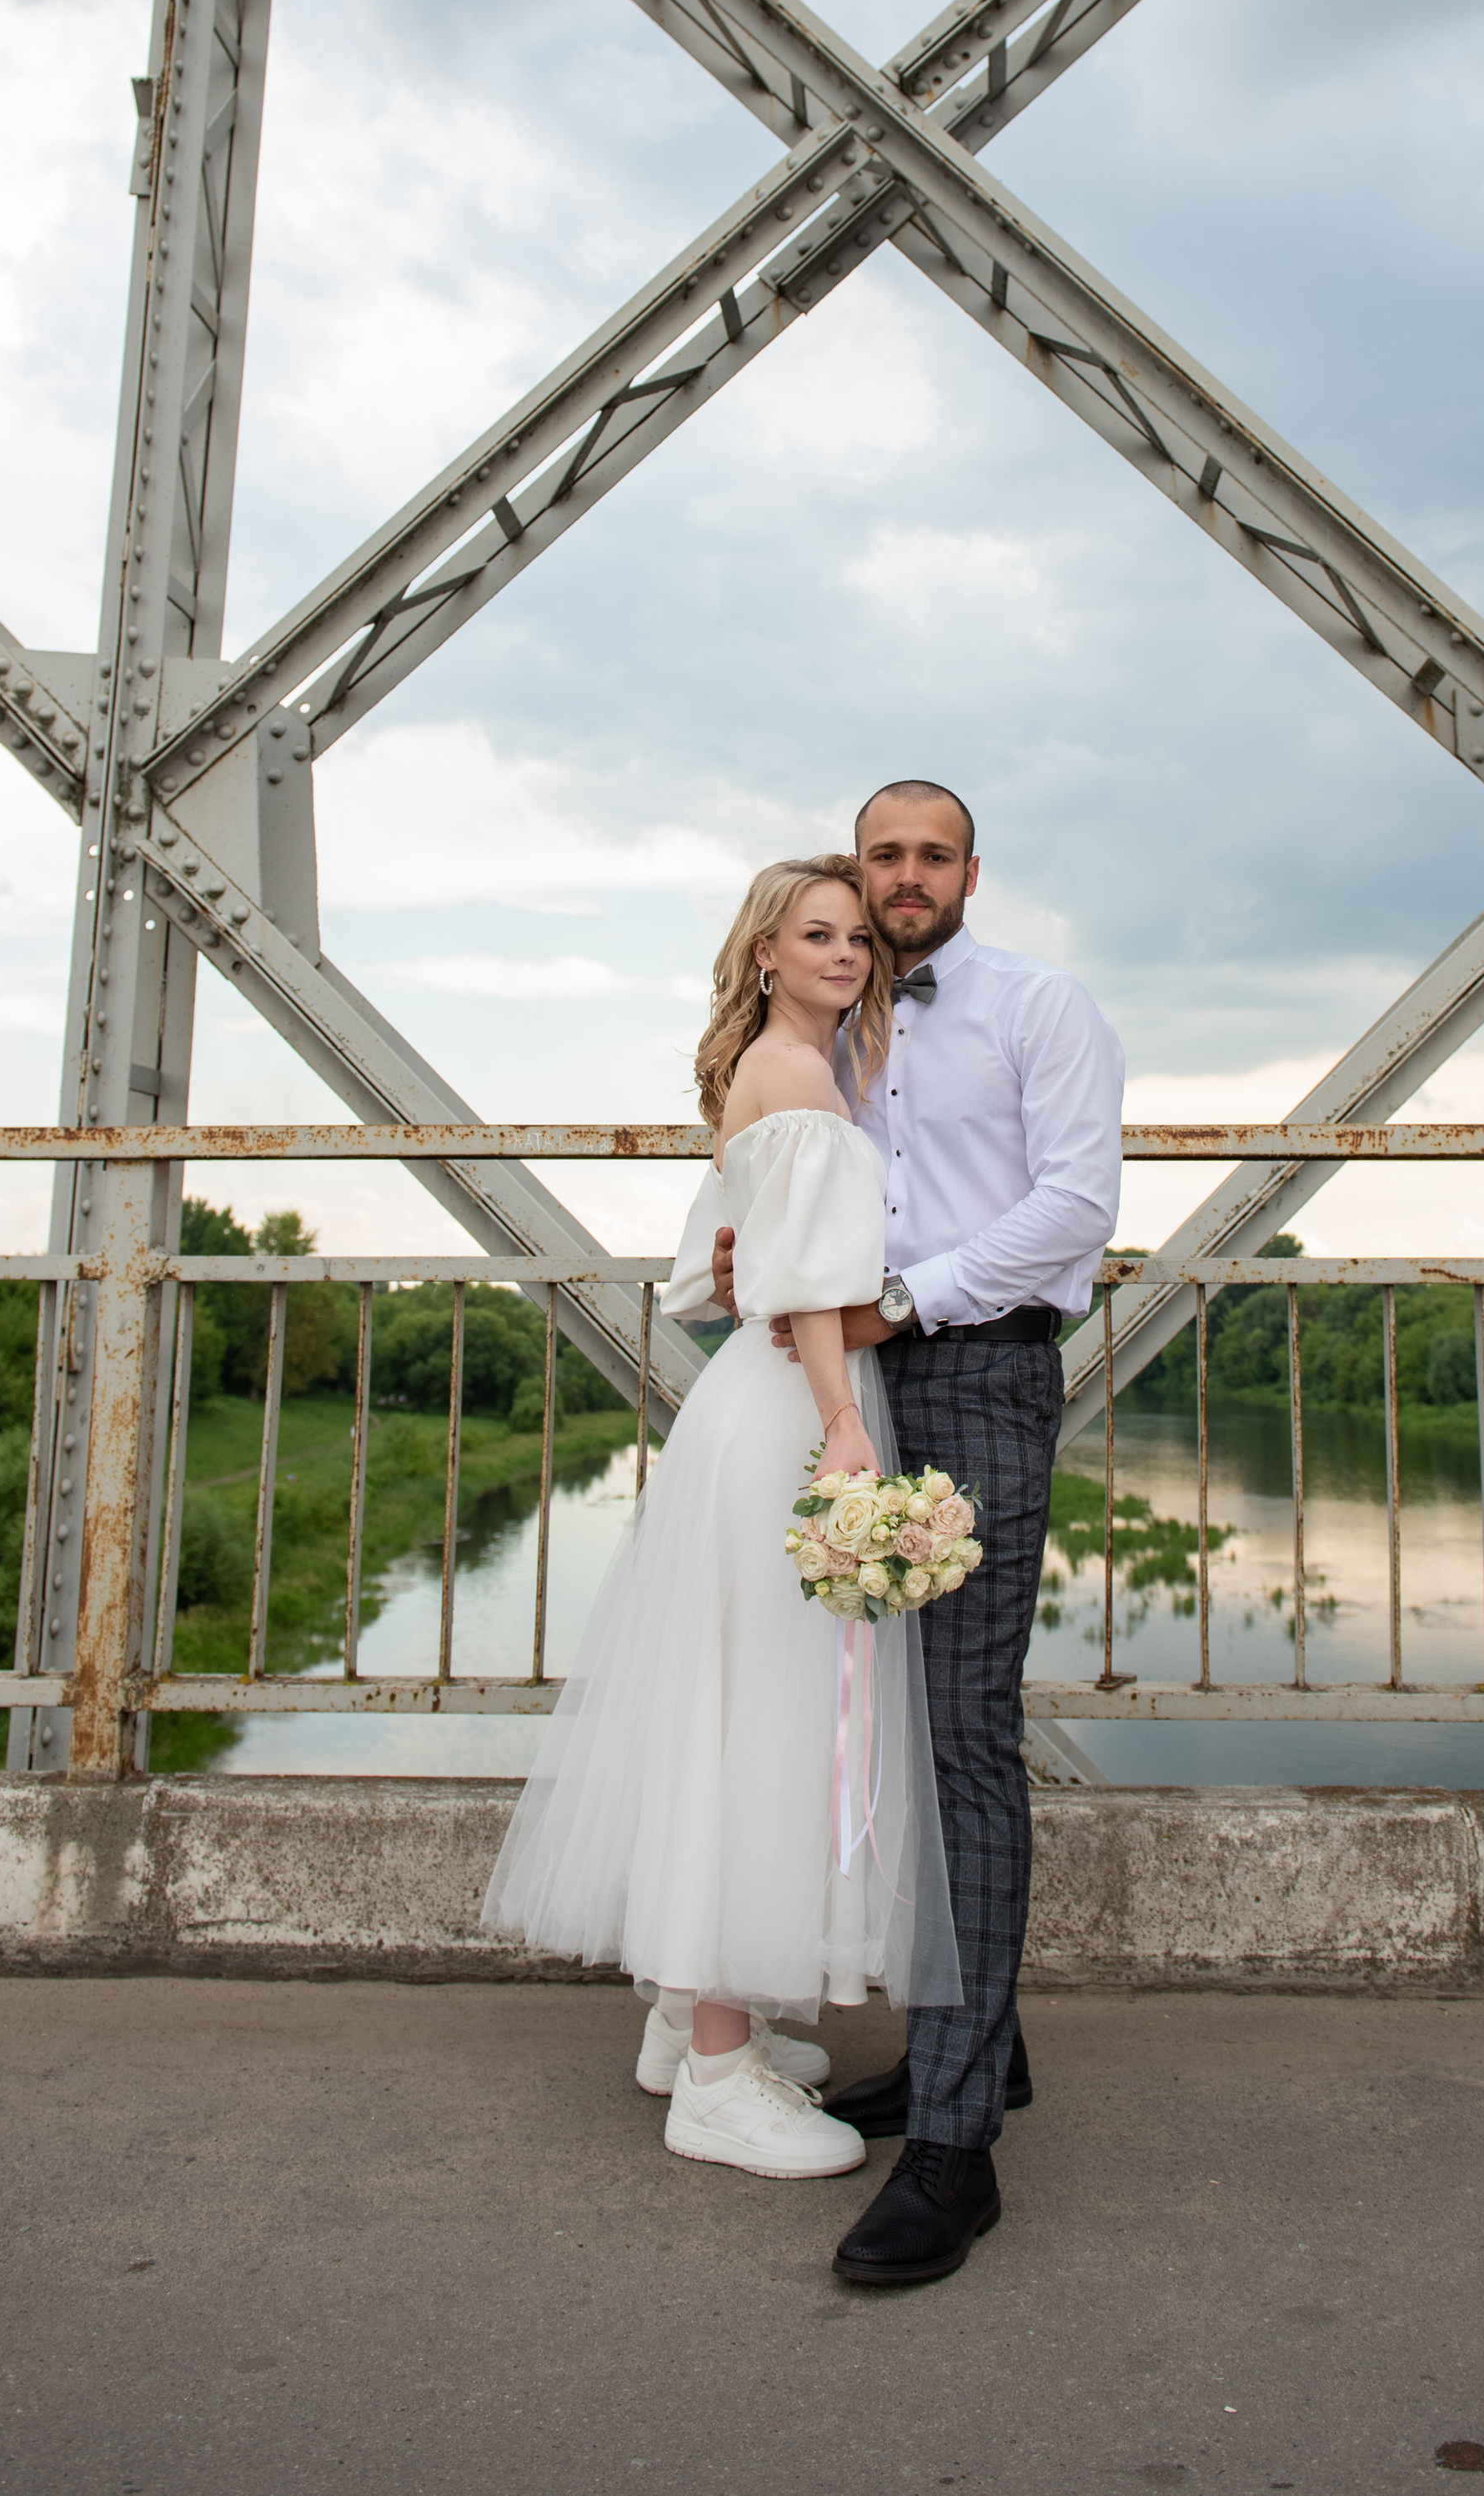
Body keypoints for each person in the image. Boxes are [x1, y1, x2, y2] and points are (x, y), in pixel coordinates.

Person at [482, 853, 960, 2180]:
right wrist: (848, 1420)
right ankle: (714, 2071)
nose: (847, 953)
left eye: (859, 935)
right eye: (817, 934)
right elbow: (806, 1283)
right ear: (764, 952)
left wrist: (788, 1309)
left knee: (731, 1705)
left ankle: (684, 2018)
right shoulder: (800, 1078)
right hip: (797, 1409)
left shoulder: (768, 1071)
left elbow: (710, 1269)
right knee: (766, 1720)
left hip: (753, 1402)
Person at [713, 779, 1126, 2285]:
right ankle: (981, 2053)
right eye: (880, 853)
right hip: (861, 1385)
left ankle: (955, 2152)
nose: (903, 876)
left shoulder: (1037, 1004)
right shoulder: (840, 1024)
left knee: (959, 1734)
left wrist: (909, 1296)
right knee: (887, 1721)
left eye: (929, 854)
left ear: (969, 872)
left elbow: (1080, 1199)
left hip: (983, 1372)